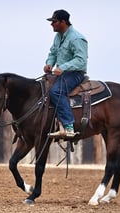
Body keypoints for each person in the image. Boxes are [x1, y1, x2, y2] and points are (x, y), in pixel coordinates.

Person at [44, 9, 88, 138]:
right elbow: (53, 53)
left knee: (56, 91)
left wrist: (63, 67)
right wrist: (49, 64)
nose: (51, 24)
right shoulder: (58, 37)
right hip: (61, 73)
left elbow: (81, 60)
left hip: (75, 74)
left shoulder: (77, 38)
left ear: (63, 22)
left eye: (54, 22)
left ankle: (68, 126)